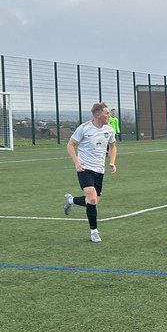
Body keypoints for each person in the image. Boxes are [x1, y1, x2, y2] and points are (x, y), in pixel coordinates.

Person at [62, 102, 116, 243]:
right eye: (106, 113)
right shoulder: (84, 128)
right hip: (84, 168)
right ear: (98, 115)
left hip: (100, 170)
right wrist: (76, 161)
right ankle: (94, 232)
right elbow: (71, 145)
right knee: (92, 199)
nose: (108, 116)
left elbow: (112, 146)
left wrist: (112, 161)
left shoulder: (109, 130)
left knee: (94, 201)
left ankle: (71, 200)